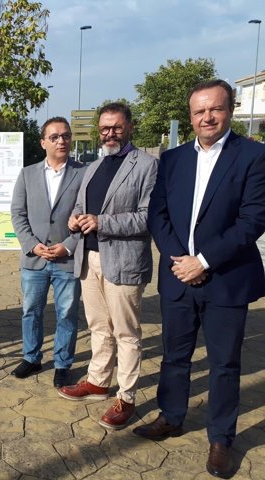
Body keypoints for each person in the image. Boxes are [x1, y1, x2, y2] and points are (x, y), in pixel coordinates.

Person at [135, 79, 265, 479]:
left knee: (225, 364)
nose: (207, 117)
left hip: (226, 278)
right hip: (177, 277)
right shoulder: (172, 159)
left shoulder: (254, 157)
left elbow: (253, 219)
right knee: (176, 356)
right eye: (199, 111)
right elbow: (158, 213)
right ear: (190, 116)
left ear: (230, 109)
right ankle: (172, 416)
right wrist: (180, 260)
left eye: (215, 109)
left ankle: (221, 438)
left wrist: (203, 261)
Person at [58, 102, 158, 431]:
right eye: (104, 128)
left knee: (126, 333)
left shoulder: (147, 165)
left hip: (124, 261)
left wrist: (101, 222)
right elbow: (80, 206)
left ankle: (126, 397)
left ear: (130, 127)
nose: (109, 133)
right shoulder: (93, 166)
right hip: (89, 258)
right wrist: (75, 219)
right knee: (99, 327)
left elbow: (149, 217)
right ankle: (99, 382)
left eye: (116, 127)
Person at [10, 117, 84, 387]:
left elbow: (87, 215)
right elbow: (18, 214)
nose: (61, 141)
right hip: (34, 258)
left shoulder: (83, 173)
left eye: (65, 136)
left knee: (66, 313)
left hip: (67, 258)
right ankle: (31, 357)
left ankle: (63, 363)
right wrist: (32, 244)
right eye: (54, 137)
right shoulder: (27, 174)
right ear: (43, 143)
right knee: (31, 311)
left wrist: (68, 245)